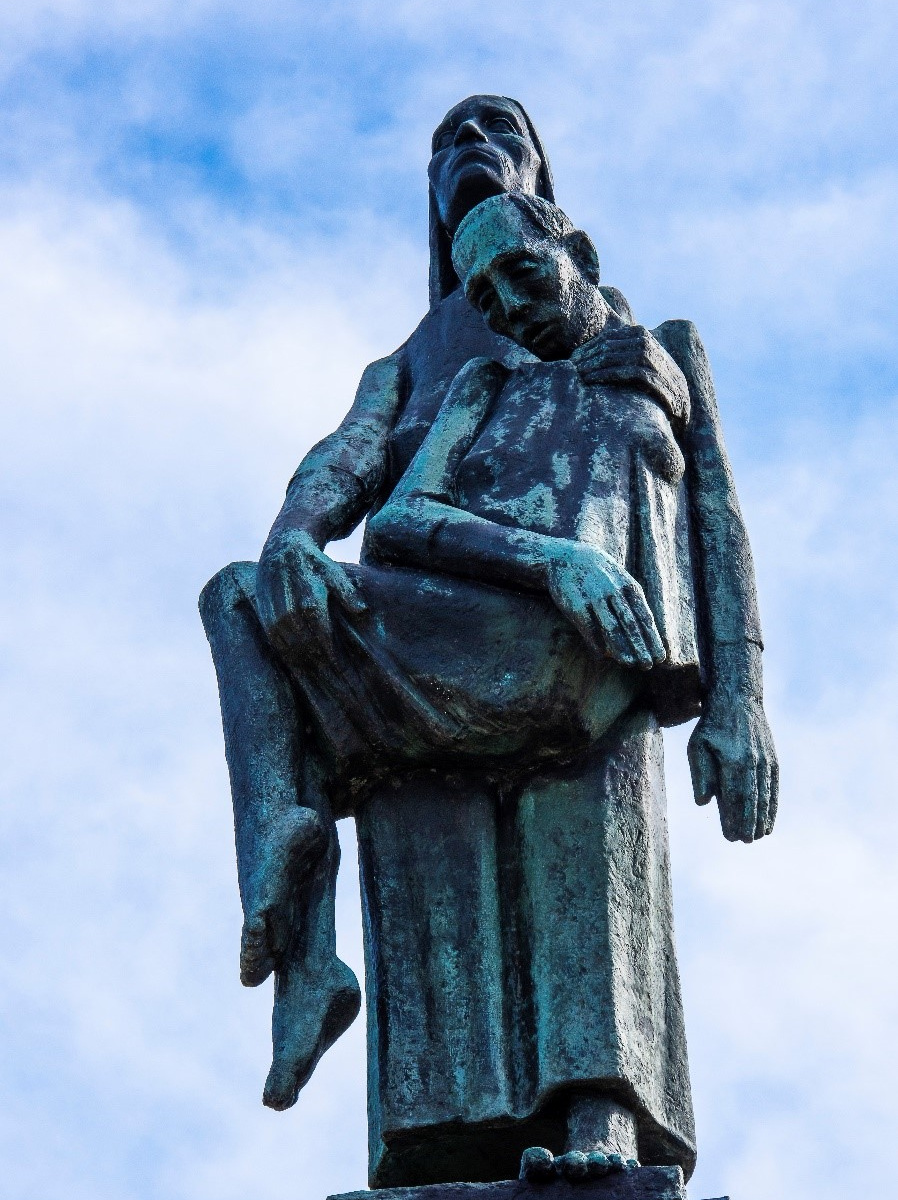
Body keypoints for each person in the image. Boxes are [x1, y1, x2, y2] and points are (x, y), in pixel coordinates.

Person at [199, 96, 777, 1189]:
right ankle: (322, 970)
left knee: (589, 862)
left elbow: (718, 520)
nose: (466, 149)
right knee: (422, 852)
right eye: (444, 145)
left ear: (561, 219)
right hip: (446, 619)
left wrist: (740, 702)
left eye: (495, 130)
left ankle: (602, 1126)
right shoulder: (430, 366)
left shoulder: (660, 346)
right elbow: (349, 461)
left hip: (601, 650)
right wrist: (293, 538)